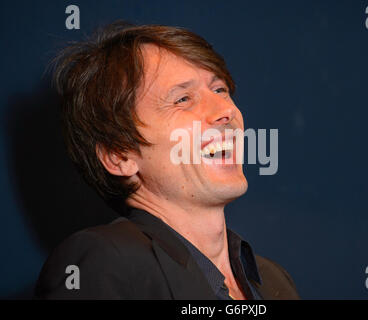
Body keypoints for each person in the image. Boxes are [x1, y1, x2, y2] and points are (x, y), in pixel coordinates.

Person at [35, 21, 300, 300]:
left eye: (220, 90)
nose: (226, 111)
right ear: (120, 155)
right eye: (183, 99)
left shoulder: (273, 279)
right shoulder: (103, 263)